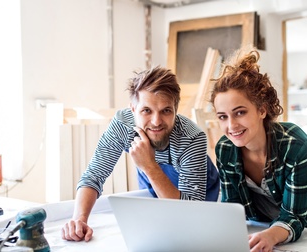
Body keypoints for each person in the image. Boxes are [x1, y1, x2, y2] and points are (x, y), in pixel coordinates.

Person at [62, 66, 220, 242]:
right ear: (133, 109)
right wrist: (79, 219)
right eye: (146, 110)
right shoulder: (122, 125)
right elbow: (94, 175)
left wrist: (150, 166)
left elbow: (190, 213)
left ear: (176, 110)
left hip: (199, 197)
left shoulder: (192, 138)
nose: (156, 121)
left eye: (166, 111)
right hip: (155, 188)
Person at [209, 49, 307, 252]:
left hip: (302, 219)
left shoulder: (296, 145)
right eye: (223, 116)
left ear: (262, 110)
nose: (231, 125)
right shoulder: (225, 149)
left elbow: (295, 217)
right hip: (259, 222)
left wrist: (272, 235)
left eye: (240, 112)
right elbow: (232, 209)